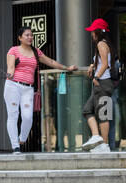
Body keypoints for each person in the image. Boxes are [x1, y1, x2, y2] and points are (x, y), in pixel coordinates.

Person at [5, 26, 75, 154]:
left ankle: (22, 138)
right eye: (27, 35)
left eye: (31, 35)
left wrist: (66, 68)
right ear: (20, 38)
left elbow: (51, 62)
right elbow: (10, 67)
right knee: (13, 115)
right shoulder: (13, 50)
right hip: (13, 86)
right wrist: (10, 73)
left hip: (28, 88)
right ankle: (15, 146)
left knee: (28, 117)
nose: (30, 37)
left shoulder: (36, 52)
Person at [80, 19, 117, 152]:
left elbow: (105, 64)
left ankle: (104, 144)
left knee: (102, 114)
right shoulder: (107, 44)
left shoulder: (101, 44)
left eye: (92, 31)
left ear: (97, 32)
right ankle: (97, 138)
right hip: (105, 83)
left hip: (102, 83)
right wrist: (92, 65)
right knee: (88, 110)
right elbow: (103, 62)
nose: (91, 34)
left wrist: (96, 77)